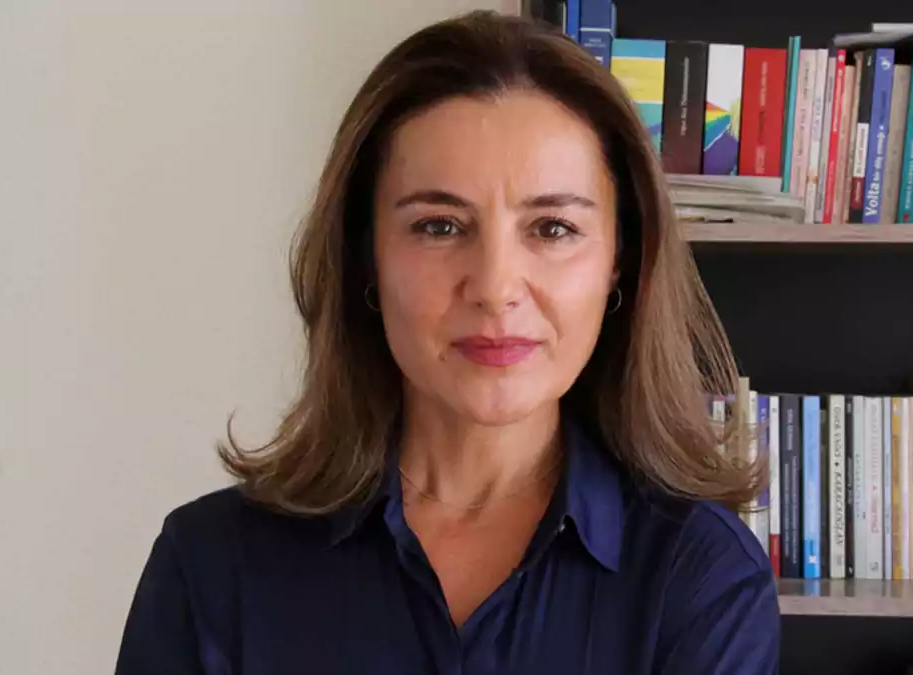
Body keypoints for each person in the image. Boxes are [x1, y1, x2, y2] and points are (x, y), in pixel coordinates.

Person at [115, 10, 779, 674]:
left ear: (619, 264)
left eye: (552, 228)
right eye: (439, 226)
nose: (495, 287)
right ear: (366, 258)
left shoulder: (702, 577)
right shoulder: (210, 567)